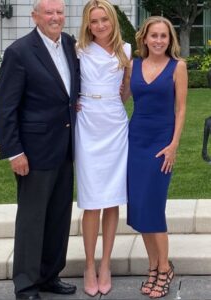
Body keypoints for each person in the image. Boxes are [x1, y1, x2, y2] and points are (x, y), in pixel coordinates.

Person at [0, 0, 80, 299]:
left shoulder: (69, 44)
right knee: (32, 220)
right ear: (35, 17)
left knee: (58, 216)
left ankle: (49, 275)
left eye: (59, 12)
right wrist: (14, 151)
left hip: (66, 148)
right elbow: (5, 107)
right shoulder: (19, 52)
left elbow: (69, 90)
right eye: (49, 13)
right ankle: (27, 284)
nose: (55, 17)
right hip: (33, 152)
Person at [125, 16, 187, 298]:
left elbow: (181, 109)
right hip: (134, 142)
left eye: (164, 36)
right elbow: (120, 97)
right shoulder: (132, 65)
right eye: (154, 36)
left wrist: (174, 144)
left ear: (169, 40)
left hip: (161, 145)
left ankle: (164, 268)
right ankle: (153, 266)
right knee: (138, 208)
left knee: (153, 208)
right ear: (145, 38)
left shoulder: (178, 67)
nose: (159, 41)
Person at [75, 0, 131, 296]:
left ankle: (105, 263)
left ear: (113, 21)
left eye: (104, 20)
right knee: (91, 199)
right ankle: (88, 264)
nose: (99, 26)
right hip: (87, 125)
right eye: (94, 21)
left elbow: (125, 91)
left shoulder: (127, 51)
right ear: (87, 23)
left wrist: (109, 105)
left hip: (115, 125)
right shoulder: (78, 50)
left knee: (112, 199)